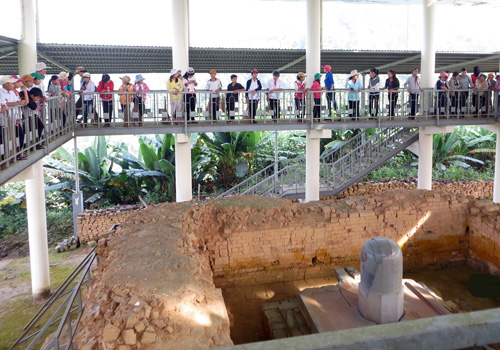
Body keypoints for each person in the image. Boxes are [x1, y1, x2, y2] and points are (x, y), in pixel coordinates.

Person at [0, 76, 28, 160]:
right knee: (6, 138)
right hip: (5, 118)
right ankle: (7, 157)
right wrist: (17, 103)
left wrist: (18, 102)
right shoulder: (1, 92)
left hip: (13, 117)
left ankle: (15, 154)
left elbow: (17, 102)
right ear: (6, 84)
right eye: (11, 83)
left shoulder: (12, 92)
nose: (13, 85)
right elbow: (4, 104)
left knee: (16, 136)